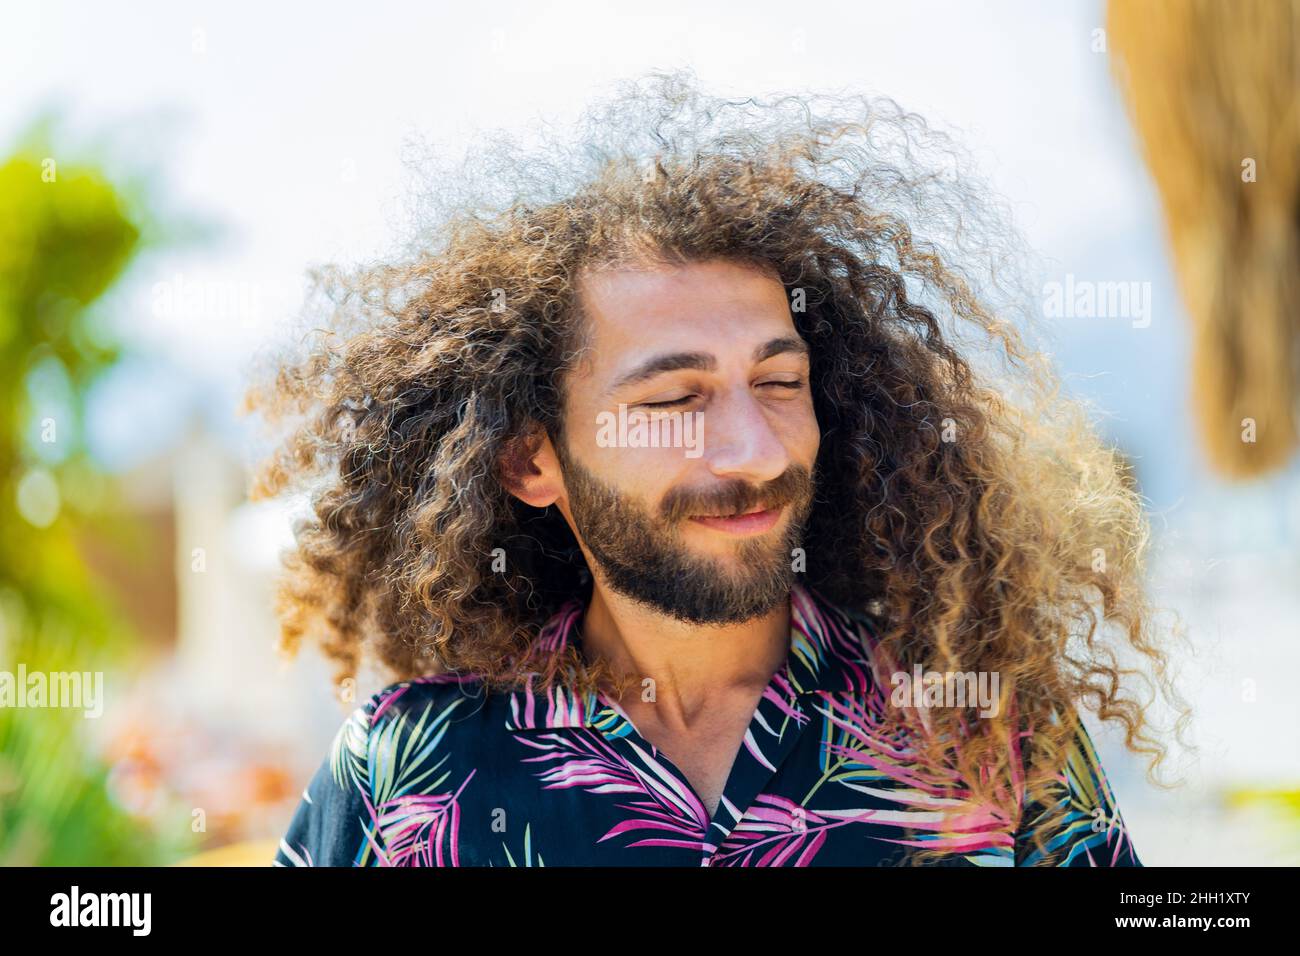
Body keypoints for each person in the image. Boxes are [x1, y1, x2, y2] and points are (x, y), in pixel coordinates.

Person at [250, 70, 1181, 867]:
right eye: (675, 399)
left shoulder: (994, 741)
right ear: (532, 460)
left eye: (779, 381)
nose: (757, 449)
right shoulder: (405, 776)